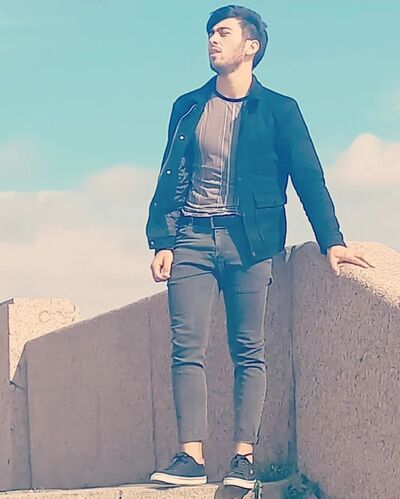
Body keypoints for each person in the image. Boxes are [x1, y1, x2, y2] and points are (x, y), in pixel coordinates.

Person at [145, 4, 374, 490]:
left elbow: (308, 177)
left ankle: (242, 460)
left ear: (250, 46)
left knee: (248, 349)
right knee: (186, 348)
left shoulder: (280, 110)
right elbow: (171, 175)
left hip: (251, 243)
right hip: (191, 239)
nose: (212, 40)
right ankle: (191, 458)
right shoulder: (188, 106)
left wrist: (332, 240)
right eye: (210, 33)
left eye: (223, 32)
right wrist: (163, 239)